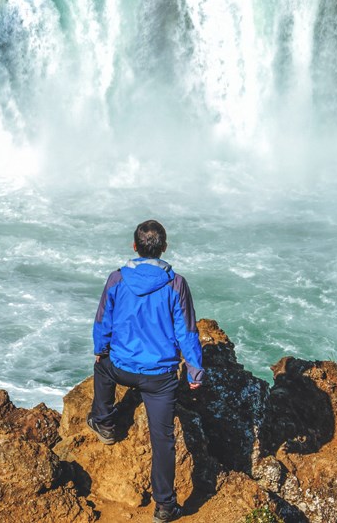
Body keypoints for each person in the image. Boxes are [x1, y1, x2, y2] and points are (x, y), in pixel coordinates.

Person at [88, 219, 204, 522]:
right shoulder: (176, 283)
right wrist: (194, 373)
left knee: (101, 367)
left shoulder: (117, 278)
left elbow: (103, 322)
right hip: (160, 378)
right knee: (162, 439)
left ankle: (104, 423)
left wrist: (101, 350)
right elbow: (187, 332)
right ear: (164, 248)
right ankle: (165, 505)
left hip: (121, 369)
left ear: (134, 247)